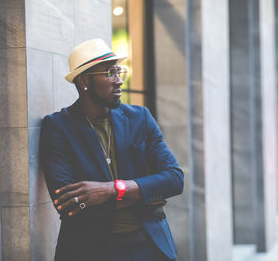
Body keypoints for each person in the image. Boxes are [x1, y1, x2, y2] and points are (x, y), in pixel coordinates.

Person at [40, 38, 184, 261]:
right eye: (109, 73)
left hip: (148, 245)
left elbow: (174, 179)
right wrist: (145, 193)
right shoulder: (58, 127)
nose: (118, 81)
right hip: (90, 250)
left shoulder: (140, 118)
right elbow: (71, 204)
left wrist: (111, 189)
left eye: (119, 72)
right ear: (84, 80)